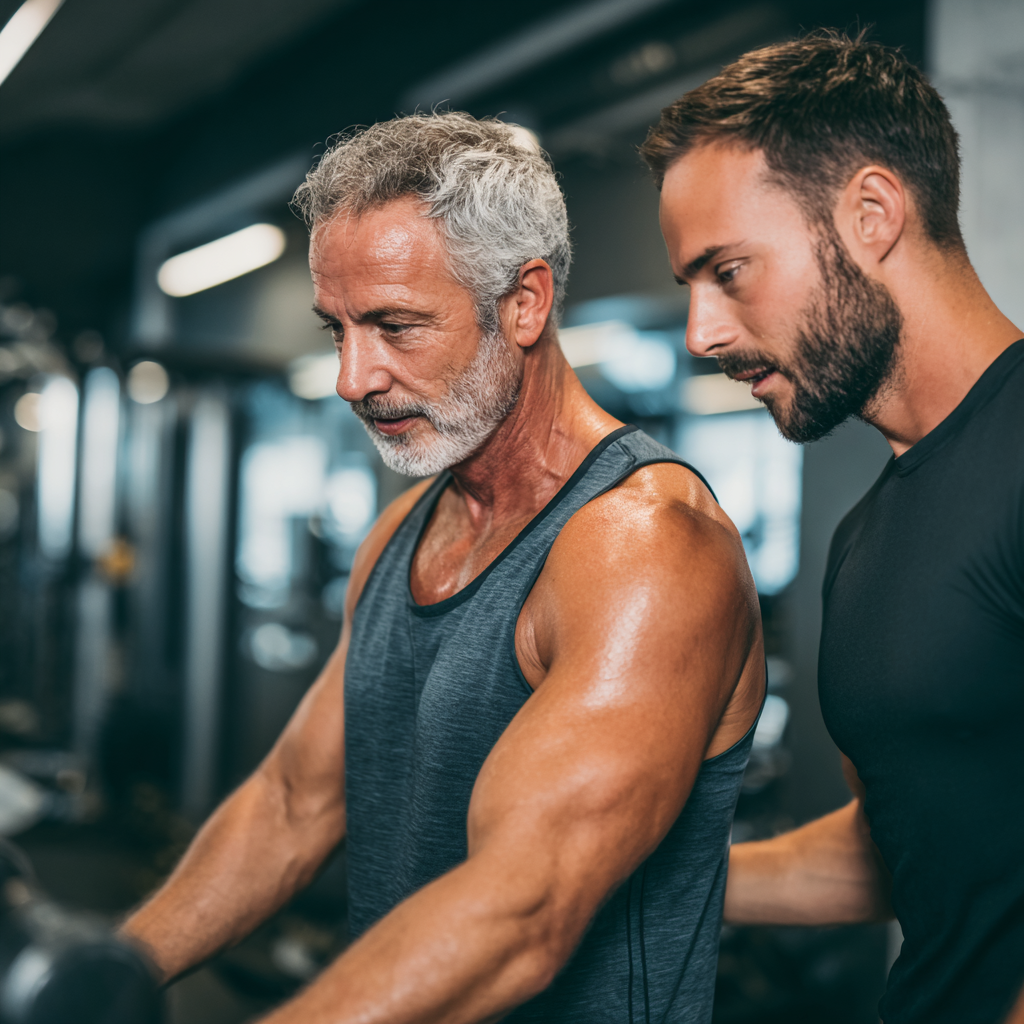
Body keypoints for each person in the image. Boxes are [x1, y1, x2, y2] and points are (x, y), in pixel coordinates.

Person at [120, 113, 765, 1024]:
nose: (352, 375)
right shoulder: (403, 535)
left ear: (526, 302)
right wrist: (114, 971)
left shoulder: (644, 546)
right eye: (336, 328)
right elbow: (295, 803)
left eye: (394, 324)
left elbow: (523, 911)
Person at [641, 29, 1024, 1024]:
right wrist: (636, 881)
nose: (702, 332)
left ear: (870, 214)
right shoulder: (862, 540)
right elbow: (900, 846)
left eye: (728, 270)